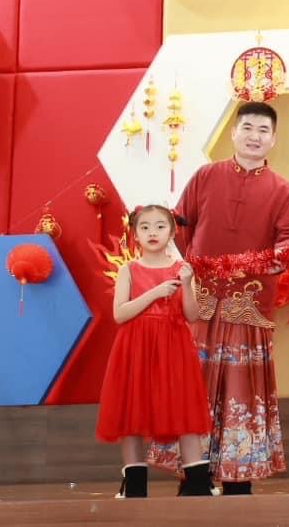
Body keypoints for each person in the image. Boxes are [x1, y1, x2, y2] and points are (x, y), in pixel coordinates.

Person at [148, 101, 289, 495]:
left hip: (247, 305)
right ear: (233, 133)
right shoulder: (206, 176)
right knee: (193, 387)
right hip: (200, 302)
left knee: (242, 391)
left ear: (274, 139)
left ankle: (239, 478)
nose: (255, 136)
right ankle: (193, 476)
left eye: (263, 130)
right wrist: (199, 265)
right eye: (247, 127)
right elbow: (180, 225)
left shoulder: (283, 190)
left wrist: (271, 258)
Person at [96, 205, 212, 498]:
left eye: (160, 226)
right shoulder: (129, 270)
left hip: (173, 347)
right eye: (145, 227)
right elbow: (120, 314)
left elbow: (193, 315)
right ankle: (135, 485)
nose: (152, 232)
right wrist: (155, 293)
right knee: (131, 413)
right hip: (135, 347)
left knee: (183, 410)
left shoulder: (181, 270)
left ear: (172, 232)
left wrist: (187, 283)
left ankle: (197, 482)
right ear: (135, 234)